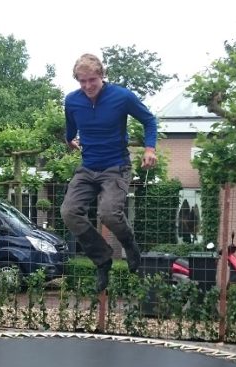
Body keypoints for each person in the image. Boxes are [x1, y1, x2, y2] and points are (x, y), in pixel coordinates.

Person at [60, 53, 158, 292]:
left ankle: (129, 244)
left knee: (108, 214)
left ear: (102, 75)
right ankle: (102, 259)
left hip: (116, 166)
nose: (87, 86)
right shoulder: (72, 101)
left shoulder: (122, 97)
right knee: (69, 212)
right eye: (82, 81)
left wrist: (149, 149)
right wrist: (69, 140)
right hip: (87, 167)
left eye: (92, 80)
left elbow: (149, 120)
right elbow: (70, 129)